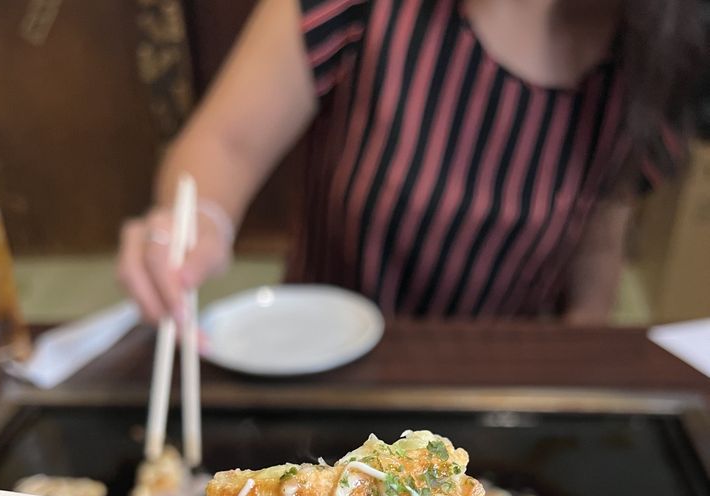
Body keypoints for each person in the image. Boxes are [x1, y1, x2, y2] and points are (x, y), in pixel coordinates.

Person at [117, 0, 703, 323]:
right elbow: (225, 143)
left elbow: (596, 249)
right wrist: (198, 224)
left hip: (499, 392)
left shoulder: (659, 56)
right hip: (324, 355)